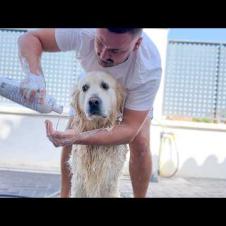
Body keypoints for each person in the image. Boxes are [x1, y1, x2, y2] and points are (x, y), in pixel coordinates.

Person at [18, 28, 162, 198]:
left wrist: (78, 136)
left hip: (131, 89)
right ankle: (65, 194)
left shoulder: (148, 68)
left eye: (115, 51)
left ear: (137, 44)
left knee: (140, 143)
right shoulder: (83, 32)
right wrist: (34, 75)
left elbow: (129, 130)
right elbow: (29, 38)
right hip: (92, 82)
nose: (103, 55)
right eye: (100, 42)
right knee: (70, 130)